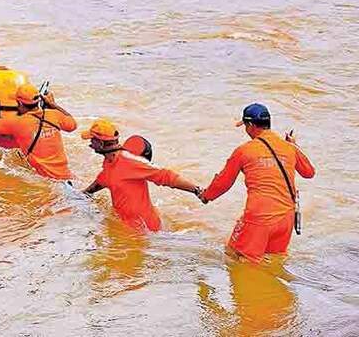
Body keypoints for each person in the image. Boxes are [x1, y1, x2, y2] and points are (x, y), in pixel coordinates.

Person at [200, 103, 316, 261]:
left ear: (250, 125)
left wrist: (206, 196)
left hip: (259, 220)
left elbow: (223, 182)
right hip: (286, 221)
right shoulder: (289, 147)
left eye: (245, 126)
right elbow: (309, 172)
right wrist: (294, 145)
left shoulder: (244, 150)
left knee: (236, 259)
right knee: (273, 263)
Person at [80, 119, 202, 232]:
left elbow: (166, 176)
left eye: (92, 139)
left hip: (148, 231)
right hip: (128, 228)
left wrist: (197, 190)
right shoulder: (109, 162)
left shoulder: (130, 161)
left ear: (101, 144)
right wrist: (83, 194)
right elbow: (104, 179)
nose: (90, 143)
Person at [0, 83, 77, 182]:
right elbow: (72, 124)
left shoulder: (18, 122)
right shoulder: (55, 115)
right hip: (67, 177)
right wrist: (53, 104)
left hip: (47, 180)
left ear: (20, 103)